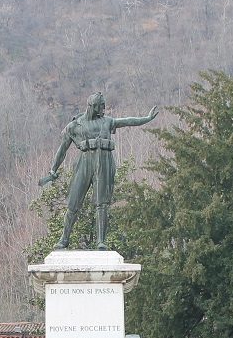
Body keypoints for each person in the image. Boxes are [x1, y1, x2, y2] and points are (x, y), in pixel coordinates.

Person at [39, 92, 158, 251]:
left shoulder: (107, 122)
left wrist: (146, 119)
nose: (103, 108)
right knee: (73, 202)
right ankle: (64, 238)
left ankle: (101, 241)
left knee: (101, 203)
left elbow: (128, 121)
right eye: (101, 105)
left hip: (104, 162)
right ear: (93, 106)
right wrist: (53, 168)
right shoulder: (74, 126)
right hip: (84, 162)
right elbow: (62, 149)